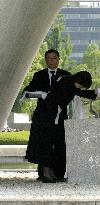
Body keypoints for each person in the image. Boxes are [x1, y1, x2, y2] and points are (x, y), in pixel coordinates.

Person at [25, 71, 100, 183]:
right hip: (47, 117)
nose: (81, 87)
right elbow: (79, 92)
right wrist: (97, 94)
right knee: (48, 144)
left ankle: (54, 174)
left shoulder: (67, 81)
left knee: (57, 145)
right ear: (78, 81)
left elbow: (78, 92)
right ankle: (47, 173)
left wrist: (96, 93)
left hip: (53, 116)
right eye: (82, 85)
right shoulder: (67, 83)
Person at [22, 49, 71, 182]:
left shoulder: (66, 75)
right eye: (48, 58)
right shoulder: (38, 75)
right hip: (42, 117)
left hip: (59, 116)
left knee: (60, 144)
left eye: (54, 58)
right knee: (43, 143)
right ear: (45, 60)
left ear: (58, 59)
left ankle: (59, 174)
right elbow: (28, 90)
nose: (51, 61)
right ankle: (43, 174)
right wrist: (37, 93)